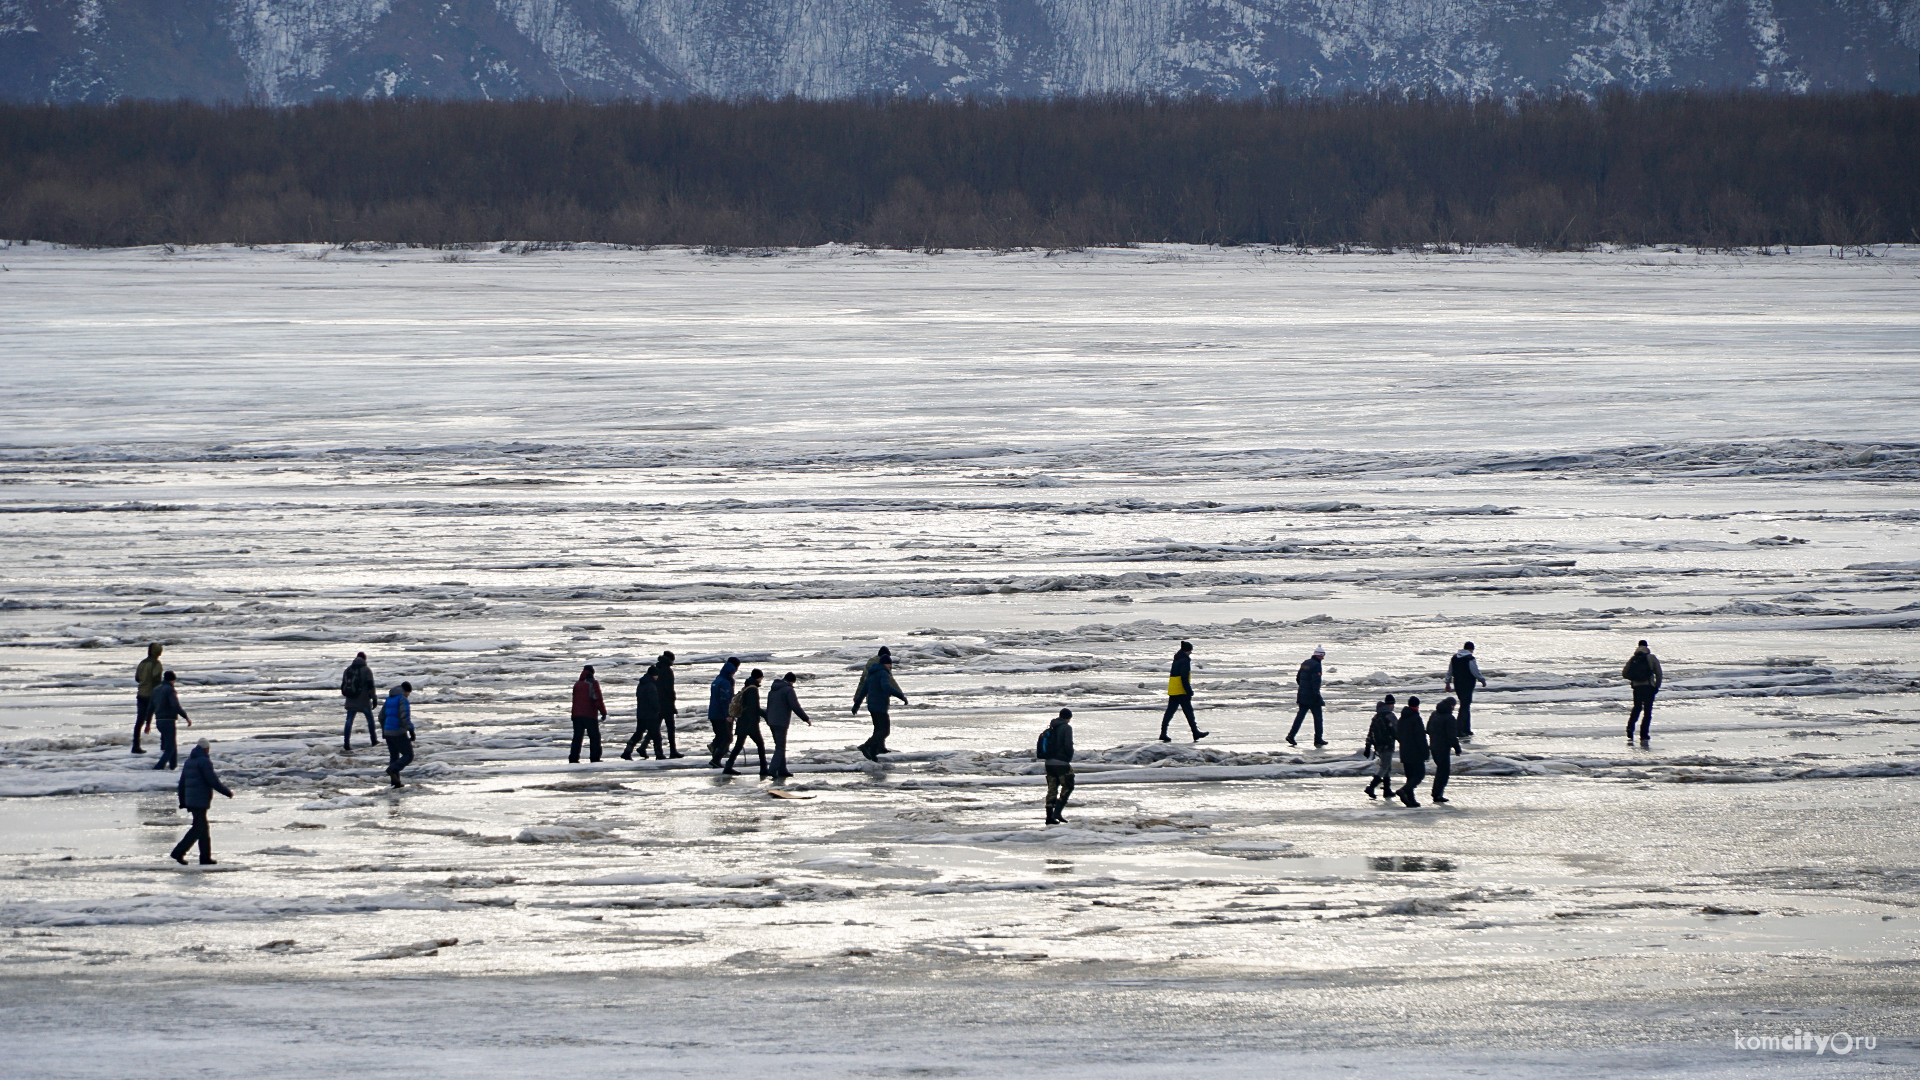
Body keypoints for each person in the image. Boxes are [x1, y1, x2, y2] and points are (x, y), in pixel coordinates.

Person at [170, 738, 232, 865]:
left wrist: (183, 800)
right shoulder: (204, 761)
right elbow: (212, 780)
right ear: (206, 749)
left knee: (203, 828)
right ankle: (178, 852)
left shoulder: (189, 761)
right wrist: (226, 792)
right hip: (200, 800)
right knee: (198, 828)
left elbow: (182, 783)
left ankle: (205, 857)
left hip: (192, 800)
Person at [851, 647, 908, 761]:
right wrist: (901, 695)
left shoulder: (871, 670)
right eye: (890, 664)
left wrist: (856, 704)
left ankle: (874, 751)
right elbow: (888, 685)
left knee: (878, 728)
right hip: (880, 704)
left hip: (871, 703)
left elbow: (863, 687)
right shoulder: (883, 672)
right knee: (884, 730)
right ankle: (867, 746)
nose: (890, 666)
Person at [764, 672, 811, 781]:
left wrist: (769, 719)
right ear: (791, 681)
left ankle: (782, 769)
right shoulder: (788, 690)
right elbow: (795, 706)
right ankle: (772, 769)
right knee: (780, 747)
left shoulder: (773, 690)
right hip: (781, 721)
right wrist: (805, 718)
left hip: (771, 721)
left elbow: (769, 706)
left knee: (779, 745)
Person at [723, 669, 769, 777]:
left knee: (739, 745)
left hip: (742, 721)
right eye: (761, 677)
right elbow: (754, 708)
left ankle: (728, 766)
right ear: (759, 677)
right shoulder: (753, 690)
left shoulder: (746, 687)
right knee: (760, 745)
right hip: (750, 723)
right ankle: (764, 769)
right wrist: (766, 716)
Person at [1159, 641, 1207, 742]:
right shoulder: (1184, 660)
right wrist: (1188, 690)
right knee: (1189, 712)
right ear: (1187, 650)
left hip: (1173, 689)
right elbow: (1184, 677)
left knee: (1169, 712)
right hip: (1181, 690)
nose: (1191, 653)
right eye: (1190, 650)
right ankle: (1195, 733)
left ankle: (1163, 733)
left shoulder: (1177, 659)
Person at [1623, 639, 1664, 742]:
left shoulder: (1633, 658)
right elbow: (1659, 673)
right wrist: (1656, 686)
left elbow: (1624, 673)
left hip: (1637, 688)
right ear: (1647, 647)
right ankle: (1644, 734)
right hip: (1649, 687)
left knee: (1636, 708)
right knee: (1647, 711)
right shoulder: (1651, 658)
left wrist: (1635, 679)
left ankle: (1630, 728)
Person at [1040, 708, 1076, 824]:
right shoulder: (1066, 728)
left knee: (1052, 789)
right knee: (1068, 785)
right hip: (1061, 762)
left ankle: (1049, 817)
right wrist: (1068, 758)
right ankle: (1057, 812)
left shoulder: (1052, 727)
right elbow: (1068, 745)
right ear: (1068, 718)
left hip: (1049, 763)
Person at [1445, 641, 1487, 739]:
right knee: (1465, 706)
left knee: (1464, 705)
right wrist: (1482, 680)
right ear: (1471, 649)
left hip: (1458, 684)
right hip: (1467, 684)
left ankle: (1466, 729)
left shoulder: (1454, 658)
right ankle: (1460, 729)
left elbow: (1449, 671)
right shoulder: (1470, 658)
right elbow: (1475, 671)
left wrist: (1447, 683)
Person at [150, 670, 191, 770]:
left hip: (159, 720)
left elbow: (150, 707)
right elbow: (175, 705)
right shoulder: (170, 690)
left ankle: (173, 766)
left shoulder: (156, 690)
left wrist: (147, 722)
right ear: (173, 680)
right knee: (170, 748)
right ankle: (158, 767)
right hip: (168, 720)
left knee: (171, 744)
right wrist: (185, 717)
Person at [623, 664, 666, 761]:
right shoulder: (651, 685)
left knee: (638, 734)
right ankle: (659, 754)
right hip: (650, 715)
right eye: (656, 675)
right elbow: (653, 700)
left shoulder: (641, 684)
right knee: (657, 736)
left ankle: (627, 751)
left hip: (641, 713)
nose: (657, 677)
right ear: (653, 675)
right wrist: (658, 709)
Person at [1288, 646, 1327, 747]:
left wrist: (1303, 688)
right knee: (1318, 718)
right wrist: (1317, 695)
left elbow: (1298, 678)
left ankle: (1291, 735)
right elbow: (1316, 681)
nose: (1323, 658)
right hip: (1312, 696)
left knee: (1300, 716)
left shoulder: (1305, 663)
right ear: (1320, 655)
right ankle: (1318, 739)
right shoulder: (1316, 665)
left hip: (1302, 694)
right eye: (1323, 656)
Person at [1393, 695, 1429, 808]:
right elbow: (1420, 737)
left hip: (1404, 751)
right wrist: (1425, 752)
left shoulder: (1402, 719)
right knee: (1419, 774)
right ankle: (1404, 790)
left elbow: (1397, 734)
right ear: (1417, 706)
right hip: (1416, 752)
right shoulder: (1416, 718)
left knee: (1410, 776)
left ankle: (1411, 800)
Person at [340, 651, 379, 752]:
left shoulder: (348, 669)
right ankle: (374, 740)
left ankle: (346, 743)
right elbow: (371, 686)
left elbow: (343, 685)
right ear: (365, 659)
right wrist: (374, 698)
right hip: (363, 700)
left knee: (349, 721)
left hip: (351, 700)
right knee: (370, 720)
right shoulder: (366, 670)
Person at [1426, 696, 1462, 804]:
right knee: (1444, 771)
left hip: (1433, 746)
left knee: (1440, 770)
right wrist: (1457, 748)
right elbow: (1451, 736)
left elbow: (1428, 729)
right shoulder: (1449, 718)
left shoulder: (1434, 714)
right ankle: (1437, 794)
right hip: (1443, 747)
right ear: (1451, 706)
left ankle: (1436, 792)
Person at [707, 657, 741, 768]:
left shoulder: (717, 681)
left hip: (713, 713)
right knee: (727, 737)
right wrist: (728, 714)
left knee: (721, 736)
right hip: (720, 715)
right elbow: (725, 700)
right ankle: (716, 759)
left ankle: (715, 753)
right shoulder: (725, 683)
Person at [1362, 694, 1397, 800]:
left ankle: (1387, 789)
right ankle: (1371, 787)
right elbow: (1397, 731)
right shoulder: (1390, 716)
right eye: (1392, 704)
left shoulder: (1377, 716)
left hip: (1378, 746)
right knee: (1384, 766)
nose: (1393, 706)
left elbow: (1370, 732)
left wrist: (1368, 746)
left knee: (1387, 766)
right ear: (1389, 704)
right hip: (1387, 744)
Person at [570, 664, 606, 763]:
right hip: (589, 715)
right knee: (594, 737)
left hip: (576, 715)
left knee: (577, 738)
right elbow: (597, 698)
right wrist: (603, 712)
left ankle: (573, 758)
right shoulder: (592, 683)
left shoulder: (577, 684)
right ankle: (595, 758)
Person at [133, 643, 165, 754]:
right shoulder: (156, 664)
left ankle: (135, 745)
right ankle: (164, 744)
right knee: (162, 717)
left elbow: (137, 678)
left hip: (141, 693)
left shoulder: (142, 663)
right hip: (152, 694)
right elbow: (157, 680)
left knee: (139, 721)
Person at [383, 681, 415, 787]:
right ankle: (392, 769)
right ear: (407, 691)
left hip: (388, 731)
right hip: (398, 731)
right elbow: (404, 716)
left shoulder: (389, 699)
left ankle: (395, 783)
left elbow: (381, 716)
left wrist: (384, 729)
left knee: (394, 756)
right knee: (408, 755)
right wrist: (411, 730)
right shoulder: (402, 699)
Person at [656, 649, 684, 758]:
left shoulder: (656, 668)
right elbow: (669, 690)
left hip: (657, 703)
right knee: (670, 728)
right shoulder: (667, 671)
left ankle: (655, 750)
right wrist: (673, 705)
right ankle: (673, 751)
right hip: (666, 704)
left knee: (655, 728)